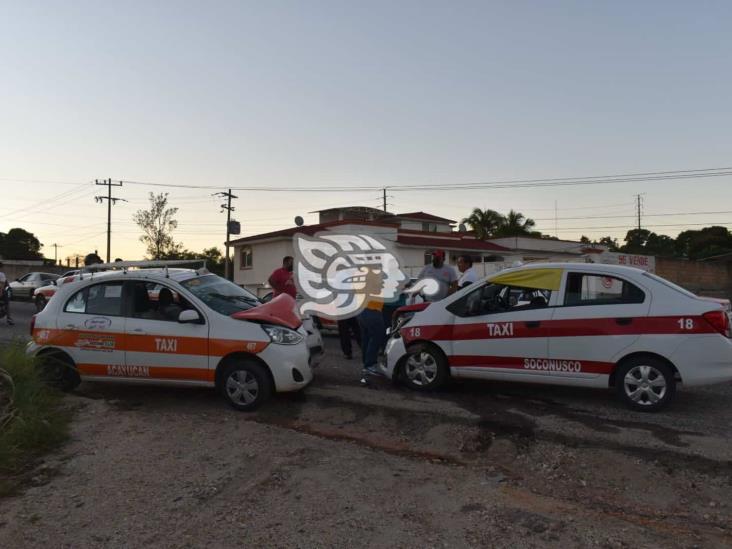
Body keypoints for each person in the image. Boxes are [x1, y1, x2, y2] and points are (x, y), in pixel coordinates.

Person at [357, 270, 386, 385]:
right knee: (377, 336)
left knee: (367, 337)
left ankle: (366, 365)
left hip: (363, 309)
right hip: (372, 309)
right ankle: (369, 365)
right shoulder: (373, 273)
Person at [0, 261, 13, 326]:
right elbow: (2, 285)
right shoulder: (1, 274)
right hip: (1, 291)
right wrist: (1, 292)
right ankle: (9, 319)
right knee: (7, 304)